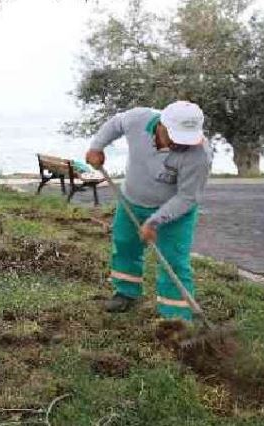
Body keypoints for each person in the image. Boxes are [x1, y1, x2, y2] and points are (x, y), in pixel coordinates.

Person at [85, 101, 212, 322]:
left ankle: (176, 317)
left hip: (174, 213)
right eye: (176, 137)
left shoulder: (199, 155)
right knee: (125, 245)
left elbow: (187, 197)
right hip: (131, 201)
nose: (181, 144)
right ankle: (126, 292)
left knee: (172, 259)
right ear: (162, 126)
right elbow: (116, 124)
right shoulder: (138, 119)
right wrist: (96, 147)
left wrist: (154, 221)